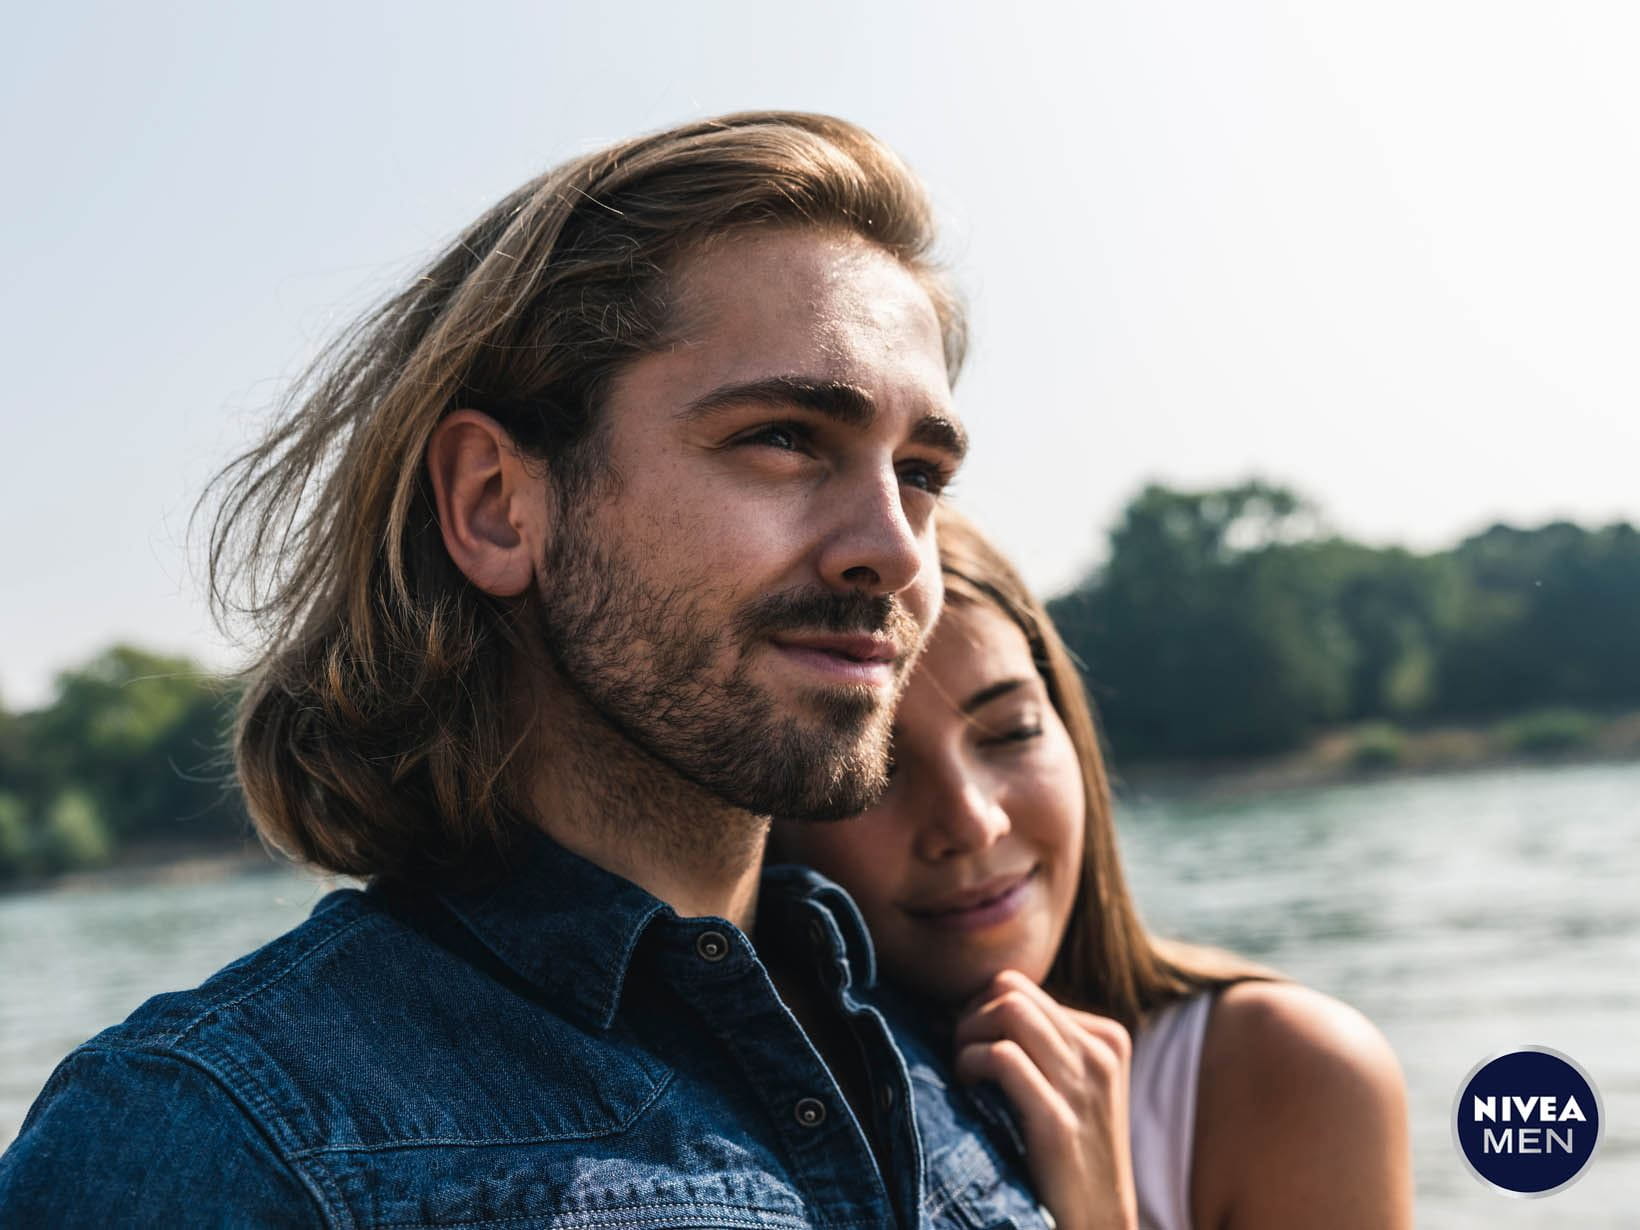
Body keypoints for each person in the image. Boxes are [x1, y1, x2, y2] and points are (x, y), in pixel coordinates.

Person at [0, 113, 1056, 1229]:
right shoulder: (213, 1137)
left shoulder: (953, 1053)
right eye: (784, 437)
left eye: (922, 471)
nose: (892, 549)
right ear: (497, 506)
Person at [773, 507, 1415, 1230]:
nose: (971, 821)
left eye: (1011, 732)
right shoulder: (727, 1108)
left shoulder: (1289, 1073)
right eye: (880, 767)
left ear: (1069, 729)